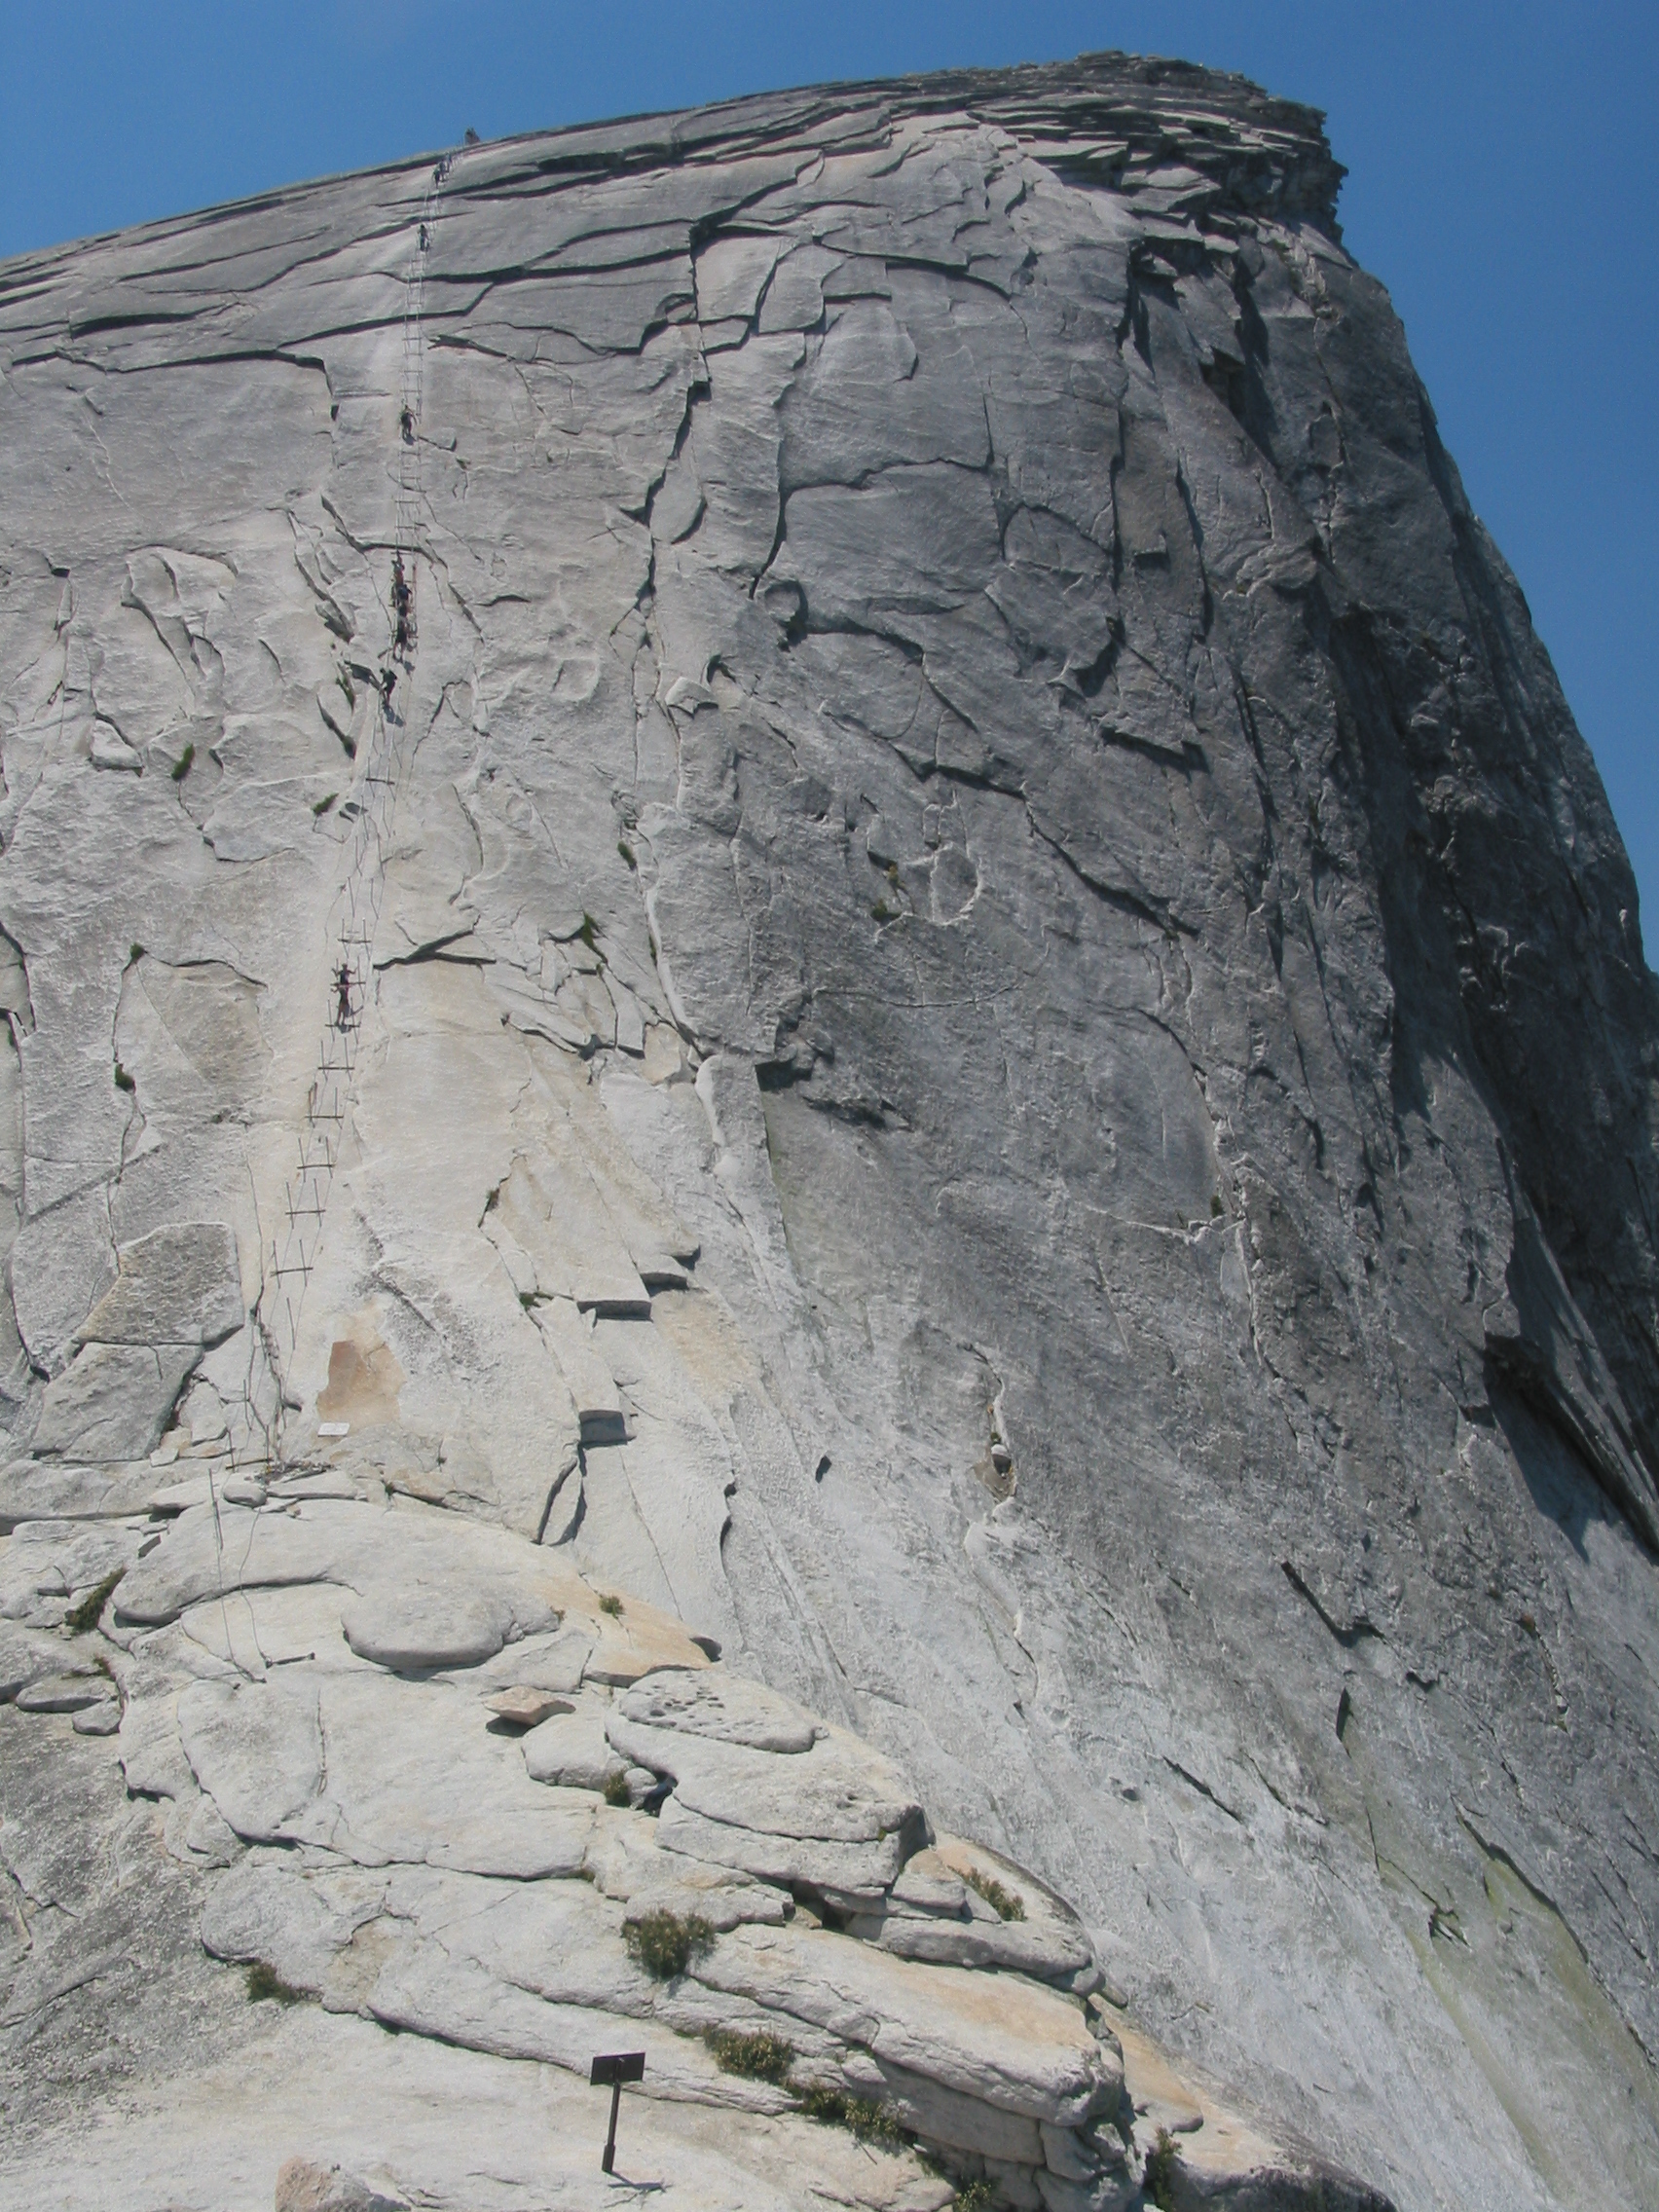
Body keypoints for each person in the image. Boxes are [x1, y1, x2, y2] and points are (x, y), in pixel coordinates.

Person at [335, 963, 352, 1028]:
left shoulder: (347, 972)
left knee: (340, 1011)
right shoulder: (342, 972)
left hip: (343, 998)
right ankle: (341, 1021)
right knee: (342, 1011)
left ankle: (339, 1021)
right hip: (343, 998)